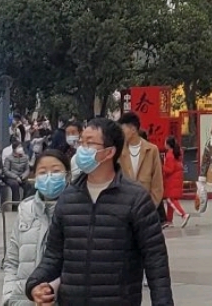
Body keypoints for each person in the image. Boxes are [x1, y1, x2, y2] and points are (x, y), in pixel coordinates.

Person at [25, 118, 173, 306]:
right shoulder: (68, 198)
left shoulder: (136, 199)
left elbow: (155, 261)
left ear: (109, 152)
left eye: (90, 143)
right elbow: (54, 256)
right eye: (81, 142)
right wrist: (34, 284)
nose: (82, 149)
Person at [2, 149, 70, 305]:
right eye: (43, 172)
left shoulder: (77, 211)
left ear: (67, 176)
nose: (49, 176)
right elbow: (12, 261)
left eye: (56, 171)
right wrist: (9, 296)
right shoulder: (26, 209)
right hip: (23, 300)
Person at [118, 112, 165, 213]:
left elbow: (157, 183)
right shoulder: (119, 151)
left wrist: (150, 207)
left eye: (123, 129)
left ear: (133, 129)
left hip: (146, 207)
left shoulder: (152, 150)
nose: (121, 133)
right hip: (124, 208)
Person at [161, 135, 189, 227]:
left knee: (171, 199)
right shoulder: (178, 153)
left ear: (168, 145)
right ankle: (169, 220)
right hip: (177, 179)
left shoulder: (169, 155)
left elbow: (169, 169)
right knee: (171, 200)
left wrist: (162, 166)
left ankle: (183, 214)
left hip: (171, 180)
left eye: (165, 142)